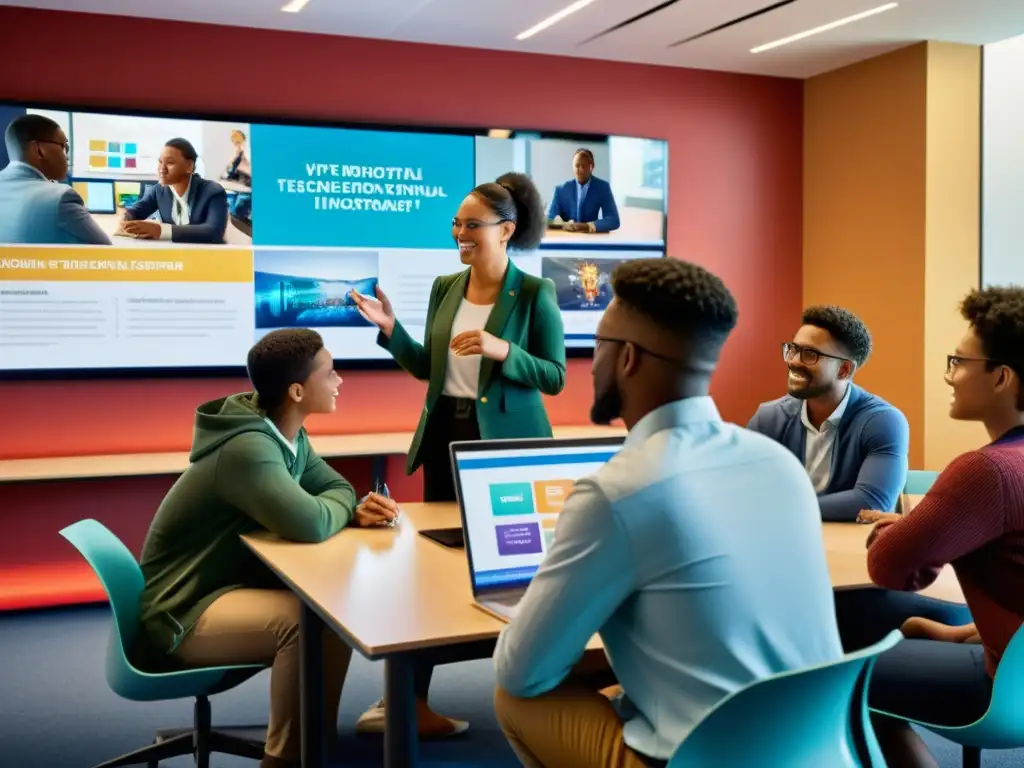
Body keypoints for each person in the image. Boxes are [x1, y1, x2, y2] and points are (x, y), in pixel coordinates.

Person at [493, 258, 844, 767]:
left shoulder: (617, 492)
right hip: (817, 751)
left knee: (517, 697)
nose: (590, 365)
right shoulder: (779, 464)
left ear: (628, 358)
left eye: (597, 347)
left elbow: (520, 671)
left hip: (705, 759)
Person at [350, 171, 567, 736]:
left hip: (510, 451)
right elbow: (429, 367)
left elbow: (555, 377)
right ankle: (407, 702)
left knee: (521, 570)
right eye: (456, 224)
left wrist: (504, 350)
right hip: (448, 435)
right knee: (434, 569)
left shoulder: (536, 294)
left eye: (472, 225)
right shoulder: (446, 286)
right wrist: (391, 330)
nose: (459, 233)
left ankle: (547, 685)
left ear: (506, 229)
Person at [137, 329, 400, 768]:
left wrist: (340, 505)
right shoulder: (249, 448)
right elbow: (312, 522)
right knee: (302, 624)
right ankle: (284, 760)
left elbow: (334, 487)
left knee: (331, 613)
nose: (340, 381)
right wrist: (345, 511)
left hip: (223, 586)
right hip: (181, 610)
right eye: (331, 373)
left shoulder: (284, 430)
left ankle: (312, 747)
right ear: (297, 391)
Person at [841, 286, 1024, 768]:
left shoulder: (989, 471)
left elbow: (891, 568)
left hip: (1004, 688)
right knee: (874, 619)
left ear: (1002, 377)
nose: (949, 376)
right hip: (1011, 661)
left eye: (959, 361)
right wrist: (957, 635)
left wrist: (902, 531)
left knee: (840, 674)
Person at [747, 305, 909, 521]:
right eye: (793, 349)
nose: (794, 361)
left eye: (810, 354)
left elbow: (871, 502)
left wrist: (780, 507)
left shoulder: (882, 421)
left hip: (850, 548)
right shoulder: (769, 418)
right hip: (783, 538)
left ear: (844, 370)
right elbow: (744, 489)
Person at [0, 114, 111, 245]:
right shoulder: (61, 197)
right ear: (39, 150)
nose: (67, 157)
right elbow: (108, 254)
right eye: (64, 147)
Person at [121, 138, 229, 243]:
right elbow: (136, 210)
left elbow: (214, 232)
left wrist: (161, 230)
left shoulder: (213, 191)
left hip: (208, 256)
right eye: (160, 162)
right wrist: (127, 217)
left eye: (170, 162)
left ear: (189, 166)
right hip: (175, 256)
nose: (162, 169)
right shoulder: (159, 190)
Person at [547, 148, 620, 233]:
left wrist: (588, 226)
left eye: (584, 166)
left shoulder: (603, 187)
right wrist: (562, 223)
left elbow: (614, 220)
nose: (580, 169)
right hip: (566, 238)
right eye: (577, 165)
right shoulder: (561, 190)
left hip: (590, 239)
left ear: (591, 166)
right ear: (572, 167)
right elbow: (551, 217)